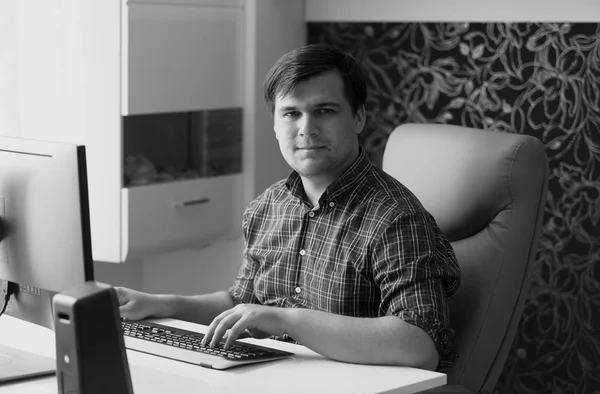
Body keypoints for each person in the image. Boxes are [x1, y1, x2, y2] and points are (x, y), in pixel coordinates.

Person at [116, 44, 461, 371]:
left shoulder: (395, 217)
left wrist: (287, 319)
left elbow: (420, 345)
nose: (306, 129)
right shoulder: (268, 206)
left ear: (358, 118)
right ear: (275, 125)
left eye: (324, 111)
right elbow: (242, 304)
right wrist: (163, 304)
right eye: (291, 113)